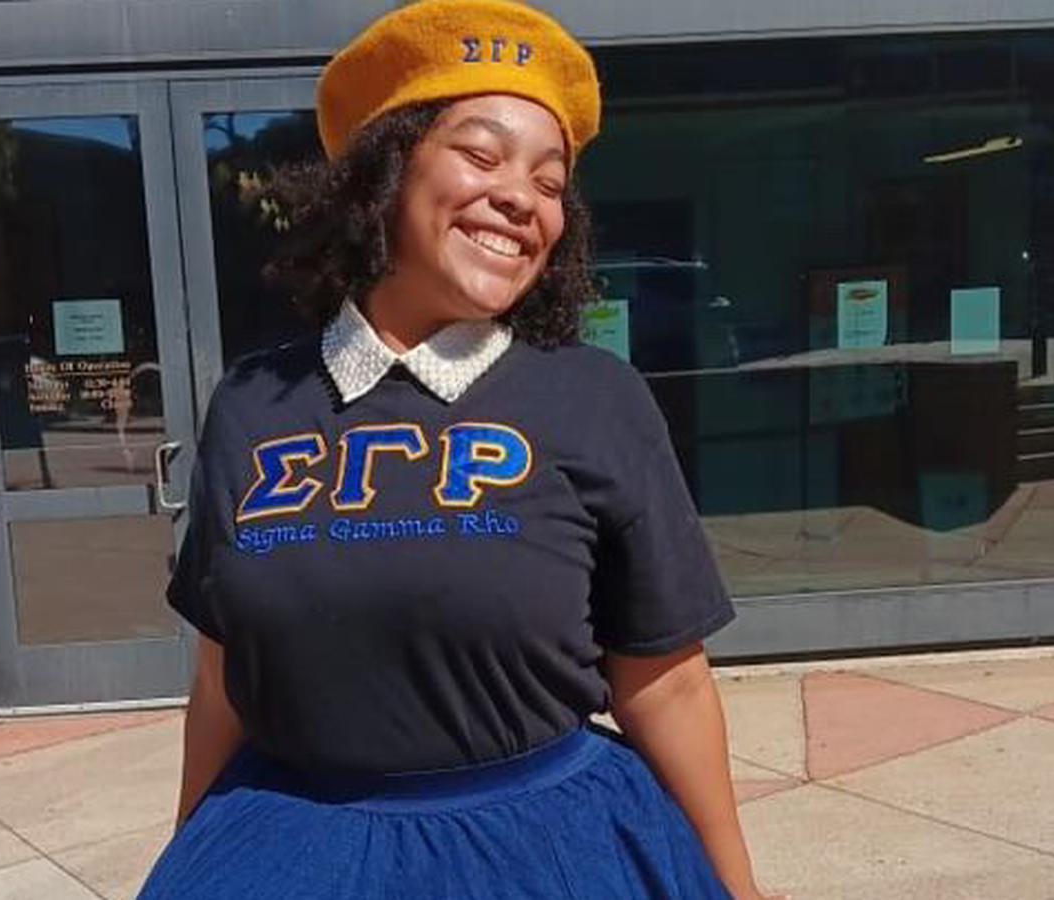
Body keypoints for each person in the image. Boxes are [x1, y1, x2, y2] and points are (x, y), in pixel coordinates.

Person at [138, 1, 784, 898]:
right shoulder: (254, 403)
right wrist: (196, 851)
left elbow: (666, 685)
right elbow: (221, 678)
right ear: (384, 173)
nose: (522, 197)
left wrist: (736, 887)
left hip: (551, 856)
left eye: (550, 183)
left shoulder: (595, 398)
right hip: (293, 852)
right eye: (481, 156)